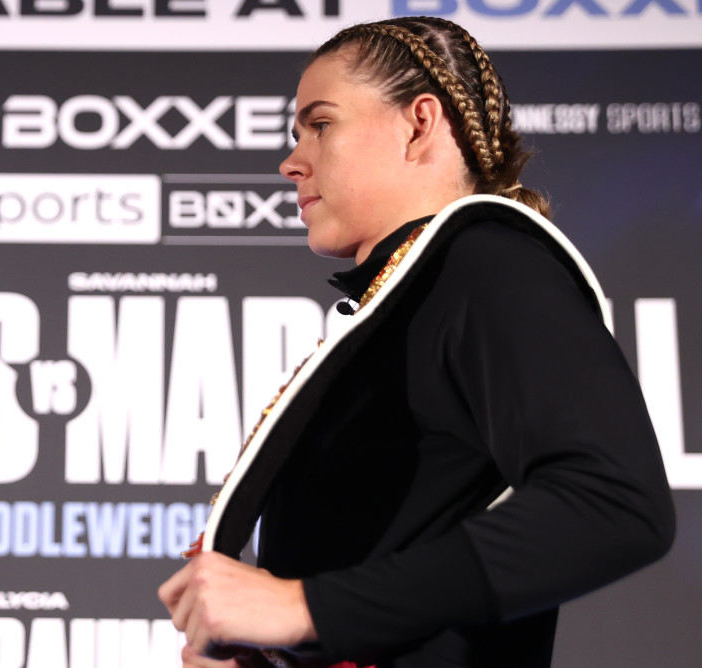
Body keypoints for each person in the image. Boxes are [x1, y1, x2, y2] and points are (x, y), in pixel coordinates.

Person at [158, 16, 675, 668]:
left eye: (320, 124)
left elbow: (616, 504)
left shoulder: (488, 262)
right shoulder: (412, 297)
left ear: (419, 124)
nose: (291, 162)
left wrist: (303, 609)